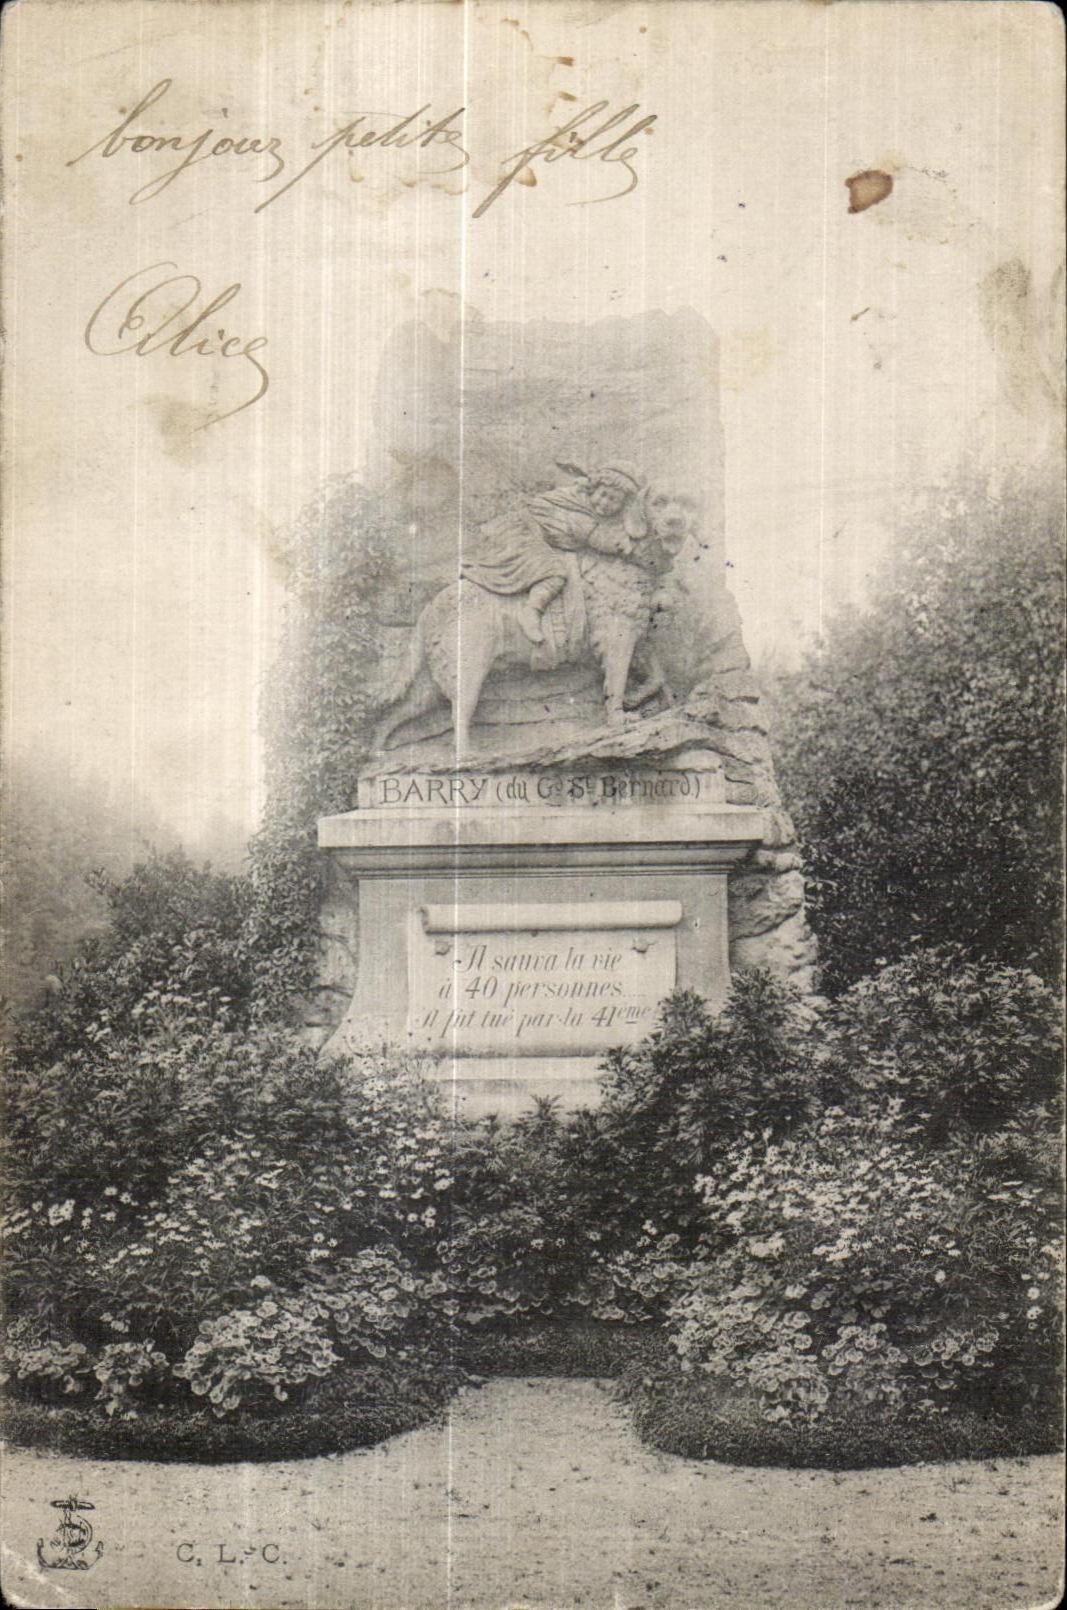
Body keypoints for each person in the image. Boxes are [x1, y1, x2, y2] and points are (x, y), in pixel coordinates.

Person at [461, 461, 644, 643]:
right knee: (555, 573)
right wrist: (629, 548)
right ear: (593, 489)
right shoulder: (578, 508)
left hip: (535, 537)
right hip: (524, 536)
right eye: (603, 494)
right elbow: (599, 540)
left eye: (614, 500)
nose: (605, 503)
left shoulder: (589, 508)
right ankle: (531, 612)